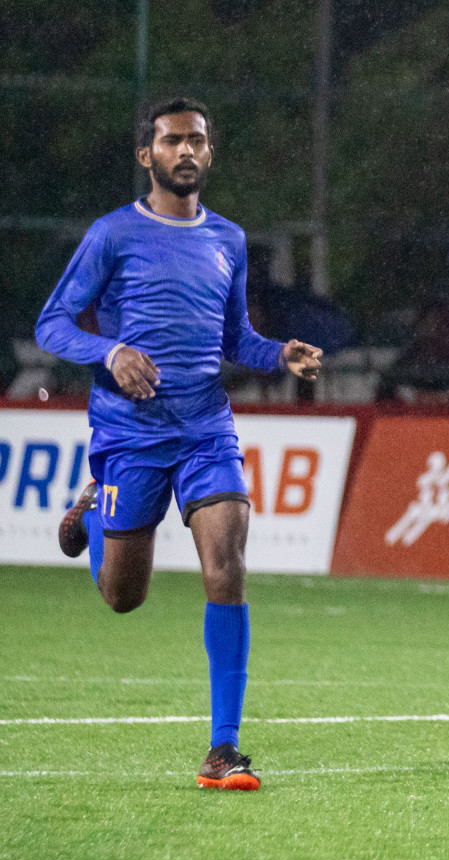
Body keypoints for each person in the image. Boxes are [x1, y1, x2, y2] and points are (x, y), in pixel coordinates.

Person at [37, 97, 322, 791]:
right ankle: (95, 511)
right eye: (172, 141)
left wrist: (277, 352)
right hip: (129, 434)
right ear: (147, 156)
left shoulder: (229, 239)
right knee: (122, 597)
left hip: (204, 427)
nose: (186, 150)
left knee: (227, 564)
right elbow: (52, 324)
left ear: (210, 153)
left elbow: (234, 341)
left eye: (197, 140)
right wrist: (109, 353)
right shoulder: (112, 235)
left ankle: (223, 749)